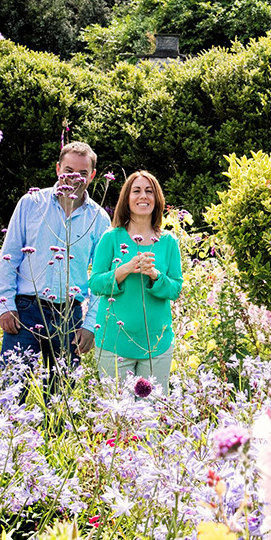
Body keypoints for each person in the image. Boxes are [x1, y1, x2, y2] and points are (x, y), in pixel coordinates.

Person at [0, 141, 111, 394]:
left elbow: (102, 280)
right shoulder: (30, 203)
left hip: (69, 316)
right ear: (58, 169)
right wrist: (6, 306)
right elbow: (8, 257)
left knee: (61, 397)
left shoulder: (99, 219)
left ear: (92, 176)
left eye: (82, 173)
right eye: (69, 170)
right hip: (24, 312)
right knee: (11, 392)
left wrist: (91, 325)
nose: (74, 178)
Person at [89, 170, 183, 396]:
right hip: (113, 343)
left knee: (152, 417)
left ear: (157, 199)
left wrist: (154, 275)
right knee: (119, 417)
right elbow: (95, 283)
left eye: (149, 191)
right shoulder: (111, 238)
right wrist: (124, 270)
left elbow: (175, 288)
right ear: (126, 199)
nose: (143, 196)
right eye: (137, 191)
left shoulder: (168, 242)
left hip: (156, 346)